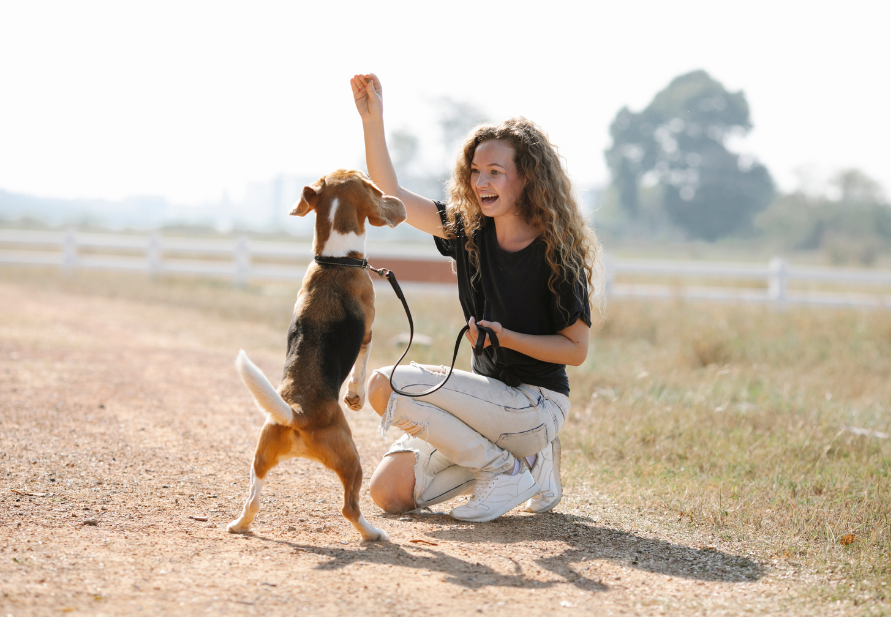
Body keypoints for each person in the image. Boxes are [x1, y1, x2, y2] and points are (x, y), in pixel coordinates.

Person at [351, 73, 601, 523]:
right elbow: (392, 196)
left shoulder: (555, 252)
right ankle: (528, 464)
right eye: (475, 171)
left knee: (383, 384)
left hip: (536, 404)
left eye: (495, 172)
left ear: (526, 179)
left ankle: (505, 468)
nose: (481, 181)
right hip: (487, 404)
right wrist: (373, 120)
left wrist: (507, 337)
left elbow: (576, 351)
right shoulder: (467, 231)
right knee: (388, 493)